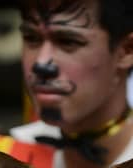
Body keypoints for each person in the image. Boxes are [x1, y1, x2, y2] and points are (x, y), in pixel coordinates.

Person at [10, 0, 133, 168]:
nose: (41, 63)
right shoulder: (5, 151)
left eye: (68, 41)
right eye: (31, 38)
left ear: (127, 50)